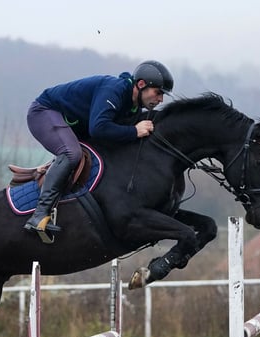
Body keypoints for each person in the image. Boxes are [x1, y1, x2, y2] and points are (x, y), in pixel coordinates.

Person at [23, 60, 174, 237]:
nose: (160, 99)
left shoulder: (132, 106)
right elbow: (99, 128)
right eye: (158, 92)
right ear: (141, 84)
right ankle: (39, 215)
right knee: (72, 154)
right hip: (44, 112)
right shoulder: (114, 90)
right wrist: (134, 131)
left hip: (72, 123)